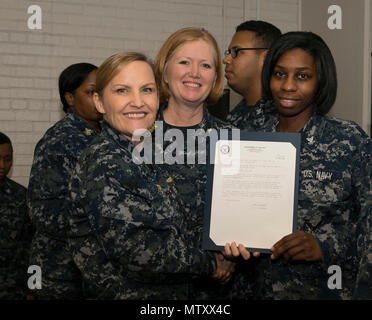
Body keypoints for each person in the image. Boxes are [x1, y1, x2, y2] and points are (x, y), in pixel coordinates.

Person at [66, 52, 236, 300]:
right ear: (100, 102)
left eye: (146, 90)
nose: (137, 102)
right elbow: (140, 252)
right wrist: (211, 263)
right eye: (122, 91)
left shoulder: (143, 152)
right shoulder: (106, 161)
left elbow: (175, 228)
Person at [225, 31, 372, 299]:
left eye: (302, 76)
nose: (288, 86)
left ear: (320, 81)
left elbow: (367, 225)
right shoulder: (250, 141)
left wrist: (324, 246)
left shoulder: (349, 141)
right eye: (279, 74)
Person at [154, 27, 242, 299]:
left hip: (213, 292)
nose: (195, 72)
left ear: (215, 77)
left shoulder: (232, 140)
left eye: (205, 65)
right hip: (150, 291)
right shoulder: (136, 137)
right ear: (165, 71)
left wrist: (232, 255)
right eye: (184, 62)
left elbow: (241, 211)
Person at [27, 63, 102, 299]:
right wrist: (101, 225)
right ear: (70, 98)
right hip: (62, 270)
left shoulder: (107, 136)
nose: (99, 98)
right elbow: (43, 211)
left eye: (102, 91)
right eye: (91, 92)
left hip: (94, 270)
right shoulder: (58, 141)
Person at [224, 20, 281, 131]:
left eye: (237, 51)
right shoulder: (235, 115)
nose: (226, 60)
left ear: (265, 58)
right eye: (229, 52)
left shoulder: (283, 120)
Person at [0, 132, 34, 299]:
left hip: (14, 290)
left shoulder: (21, 196)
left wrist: (33, 289)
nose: (2, 165)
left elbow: (33, 248)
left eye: (7, 159)